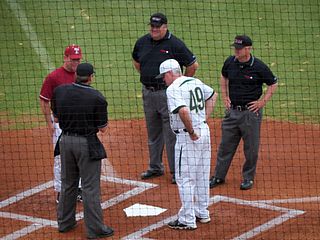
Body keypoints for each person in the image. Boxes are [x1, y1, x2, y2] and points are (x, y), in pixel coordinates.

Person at [132, 13, 199, 184]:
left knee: (171, 134)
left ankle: (176, 170)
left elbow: (192, 65)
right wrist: (147, 76)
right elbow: (137, 61)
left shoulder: (174, 44)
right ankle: (155, 167)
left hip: (166, 94)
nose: (154, 29)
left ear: (165, 27)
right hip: (148, 93)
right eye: (152, 26)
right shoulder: (142, 42)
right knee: (153, 132)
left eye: (157, 27)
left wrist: (179, 84)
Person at [51, 63, 114, 239]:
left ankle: (65, 223)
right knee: (90, 188)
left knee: (68, 183)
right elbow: (103, 128)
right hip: (86, 144)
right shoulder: (97, 97)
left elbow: (56, 118)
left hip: (65, 142)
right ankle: (95, 229)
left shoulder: (60, 91)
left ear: (76, 75)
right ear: (91, 77)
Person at [209, 35, 278, 190]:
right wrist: (225, 96)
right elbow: (223, 76)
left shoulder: (258, 66)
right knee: (225, 146)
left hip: (250, 114)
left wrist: (262, 102)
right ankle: (218, 177)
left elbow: (273, 83)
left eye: (239, 48)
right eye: (235, 48)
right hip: (232, 113)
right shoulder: (230, 62)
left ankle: (248, 178)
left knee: (251, 148)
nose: (236, 51)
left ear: (248, 49)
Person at [157, 59, 217, 230]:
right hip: (204, 132)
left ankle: (187, 219)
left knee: (185, 178)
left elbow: (182, 110)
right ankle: (202, 213)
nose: (163, 80)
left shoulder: (173, 89)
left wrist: (191, 131)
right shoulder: (195, 81)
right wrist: (203, 119)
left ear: (169, 73)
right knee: (201, 173)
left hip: (189, 137)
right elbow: (213, 95)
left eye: (163, 76)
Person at [39, 44, 83, 203]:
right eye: (73, 60)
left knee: (79, 157)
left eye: (78, 60)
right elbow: (44, 100)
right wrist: (49, 123)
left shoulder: (81, 74)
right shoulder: (54, 77)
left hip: (78, 122)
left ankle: (77, 189)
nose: (75, 63)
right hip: (60, 124)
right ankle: (60, 191)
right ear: (65, 58)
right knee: (60, 158)